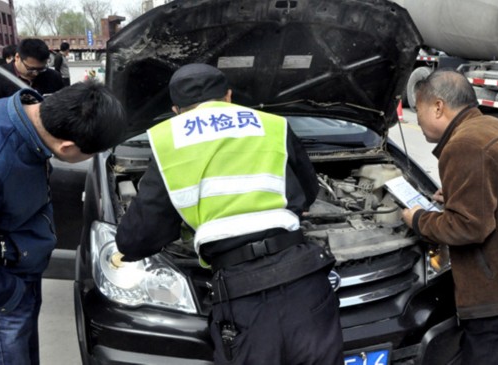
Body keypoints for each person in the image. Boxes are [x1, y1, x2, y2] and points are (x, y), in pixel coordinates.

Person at [116, 63, 344, 364]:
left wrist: (185, 227)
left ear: (176, 110)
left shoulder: (167, 140)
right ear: (228, 97)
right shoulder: (272, 125)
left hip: (245, 299)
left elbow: (136, 239)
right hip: (306, 282)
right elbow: (308, 192)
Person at [0, 79, 127, 364]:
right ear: (67, 146)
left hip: (21, 269)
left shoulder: (24, 114)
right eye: (90, 153)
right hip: (1, 291)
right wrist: (9, 294)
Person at [401, 69, 498, 364]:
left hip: (497, 298)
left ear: (439, 107)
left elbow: (469, 227)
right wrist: (457, 194)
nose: (416, 117)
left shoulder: (464, 144)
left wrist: (418, 218)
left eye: (418, 109)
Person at [0, 38, 63, 106]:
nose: (36, 73)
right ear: (17, 57)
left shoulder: (54, 77)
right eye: (31, 69)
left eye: (41, 69)